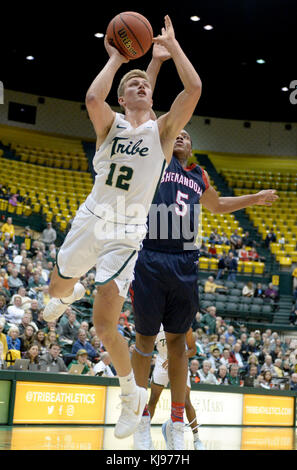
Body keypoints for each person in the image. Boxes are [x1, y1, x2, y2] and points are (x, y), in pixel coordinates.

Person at [42, 14, 203, 441]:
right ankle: (69, 290)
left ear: (152, 98)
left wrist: (172, 49)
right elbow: (93, 99)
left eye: (146, 84)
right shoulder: (109, 124)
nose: (141, 86)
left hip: (126, 233)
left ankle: (130, 396)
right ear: (123, 95)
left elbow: (194, 90)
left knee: (103, 325)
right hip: (91, 217)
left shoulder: (163, 130)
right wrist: (115, 58)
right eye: (134, 85)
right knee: (55, 294)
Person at [134, 326, 204, 450]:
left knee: (186, 402)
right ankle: (144, 436)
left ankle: (197, 439)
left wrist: (176, 357)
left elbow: (192, 350)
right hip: (162, 363)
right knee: (153, 400)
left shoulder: (183, 322)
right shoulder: (155, 322)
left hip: (179, 362)